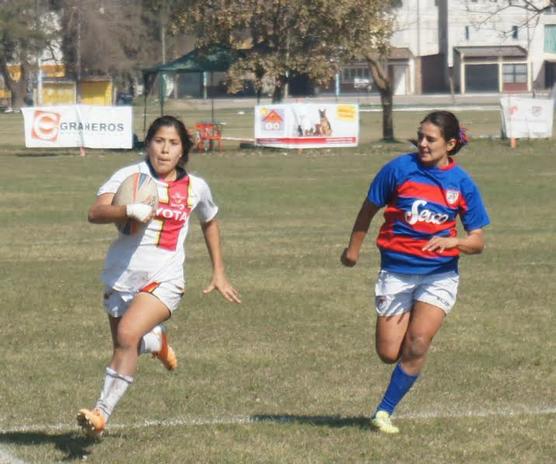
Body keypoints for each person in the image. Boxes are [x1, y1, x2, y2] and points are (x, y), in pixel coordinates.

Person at [77, 115, 241, 437]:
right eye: (159, 141)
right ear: (148, 143)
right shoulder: (130, 176)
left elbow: (210, 220)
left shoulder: (196, 187)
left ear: (183, 151)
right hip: (121, 275)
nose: (165, 150)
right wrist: (127, 210)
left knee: (126, 335)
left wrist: (218, 271)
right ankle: (156, 340)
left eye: (173, 143)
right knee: (127, 344)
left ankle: (100, 415)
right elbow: (95, 212)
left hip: (166, 279)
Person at [341, 111, 489, 434]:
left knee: (418, 342)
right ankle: (396, 365)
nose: (422, 143)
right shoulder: (398, 170)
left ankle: (384, 411)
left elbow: (478, 242)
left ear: (450, 144)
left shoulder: (462, 183)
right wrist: (353, 250)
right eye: (420, 136)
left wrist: (455, 241)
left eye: (430, 139)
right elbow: (368, 209)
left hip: (440, 275)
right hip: (396, 271)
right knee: (388, 352)